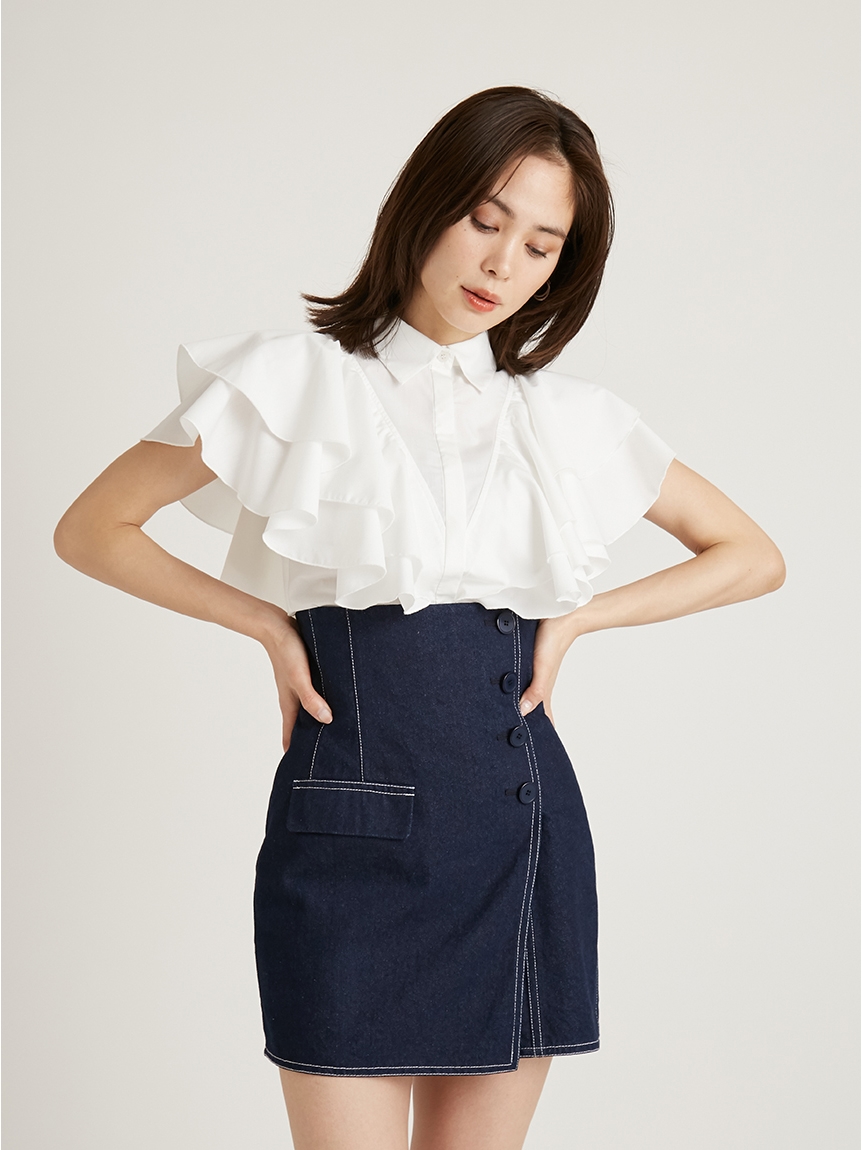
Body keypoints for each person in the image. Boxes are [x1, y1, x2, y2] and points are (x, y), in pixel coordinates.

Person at [53, 86, 785, 1150]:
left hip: (517, 827)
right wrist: (266, 623)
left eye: (540, 246)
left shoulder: (563, 420)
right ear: (425, 204)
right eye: (485, 220)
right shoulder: (295, 380)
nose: (502, 264)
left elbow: (752, 557)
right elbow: (92, 529)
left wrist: (579, 621)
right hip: (346, 832)